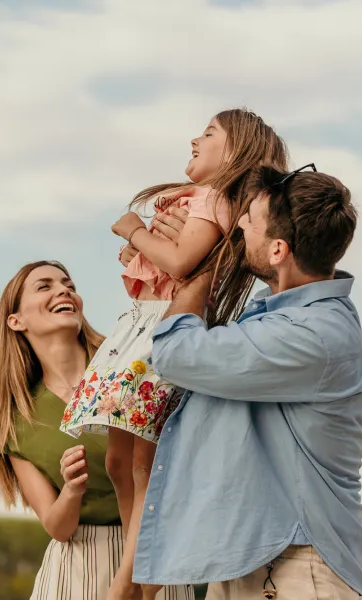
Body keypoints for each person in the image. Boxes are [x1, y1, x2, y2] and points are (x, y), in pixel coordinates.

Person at [60, 109, 288, 599]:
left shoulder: (211, 199)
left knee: (142, 465)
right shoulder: (198, 202)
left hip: (158, 333)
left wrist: (134, 232)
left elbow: (183, 262)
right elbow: (172, 266)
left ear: (235, 151)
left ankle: (131, 583)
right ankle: (137, 567)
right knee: (121, 463)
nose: (194, 139)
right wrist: (143, 254)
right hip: (140, 328)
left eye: (208, 133)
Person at [131, 164, 362, 600]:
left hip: (300, 569)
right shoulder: (281, 318)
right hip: (256, 561)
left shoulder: (311, 335)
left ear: (279, 249)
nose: (238, 224)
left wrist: (203, 266)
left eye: (250, 221)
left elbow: (176, 353)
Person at [0, 260, 194, 599]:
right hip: (75, 570)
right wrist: (71, 490)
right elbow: (57, 527)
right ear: (16, 320)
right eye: (45, 286)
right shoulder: (16, 421)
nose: (63, 290)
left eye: (68, 284)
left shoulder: (130, 364)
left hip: (151, 556)